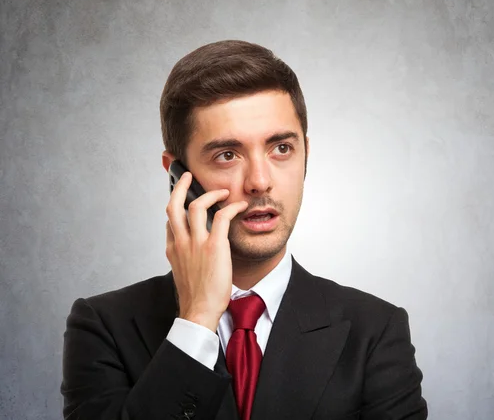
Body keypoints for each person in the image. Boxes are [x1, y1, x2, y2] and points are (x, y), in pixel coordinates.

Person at [61, 40, 428, 420]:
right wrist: (197, 319)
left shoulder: (376, 331)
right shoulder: (103, 326)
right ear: (178, 176)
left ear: (306, 155)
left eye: (281, 148)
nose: (259, 181)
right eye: (227, 155)